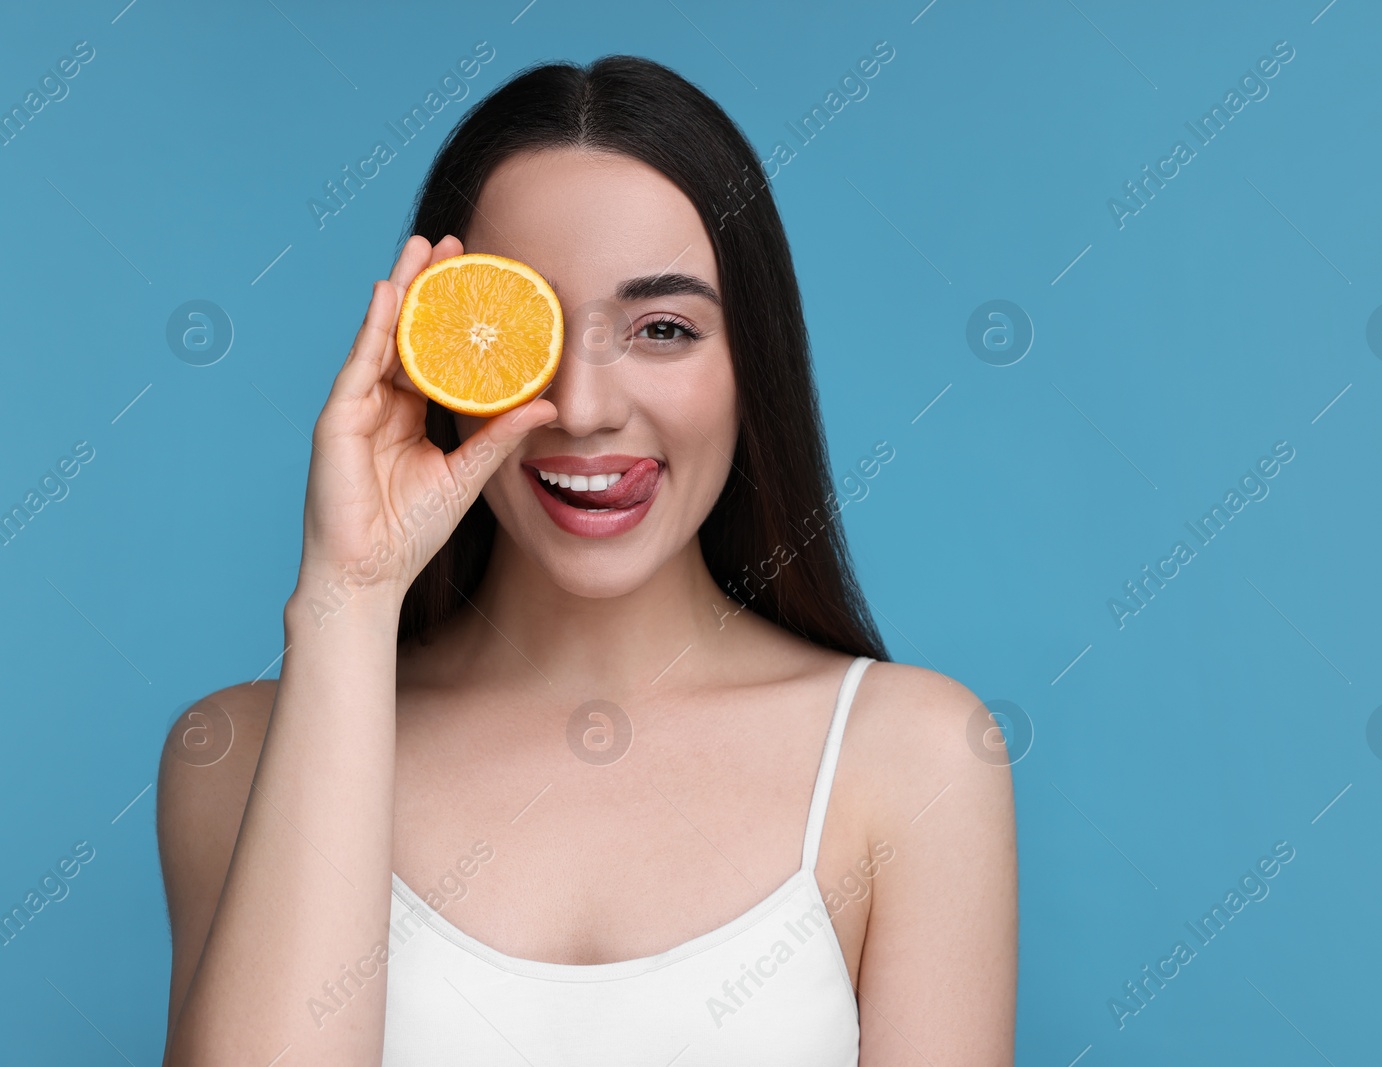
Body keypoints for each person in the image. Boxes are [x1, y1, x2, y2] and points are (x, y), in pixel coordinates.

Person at [156, 55, 1015, 1066]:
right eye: (528, 328)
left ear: (754, 361)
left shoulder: (912, 755)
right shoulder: (235, 756)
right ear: (436, 351)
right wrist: (350, 597)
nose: (587, 405)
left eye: (662, 327)